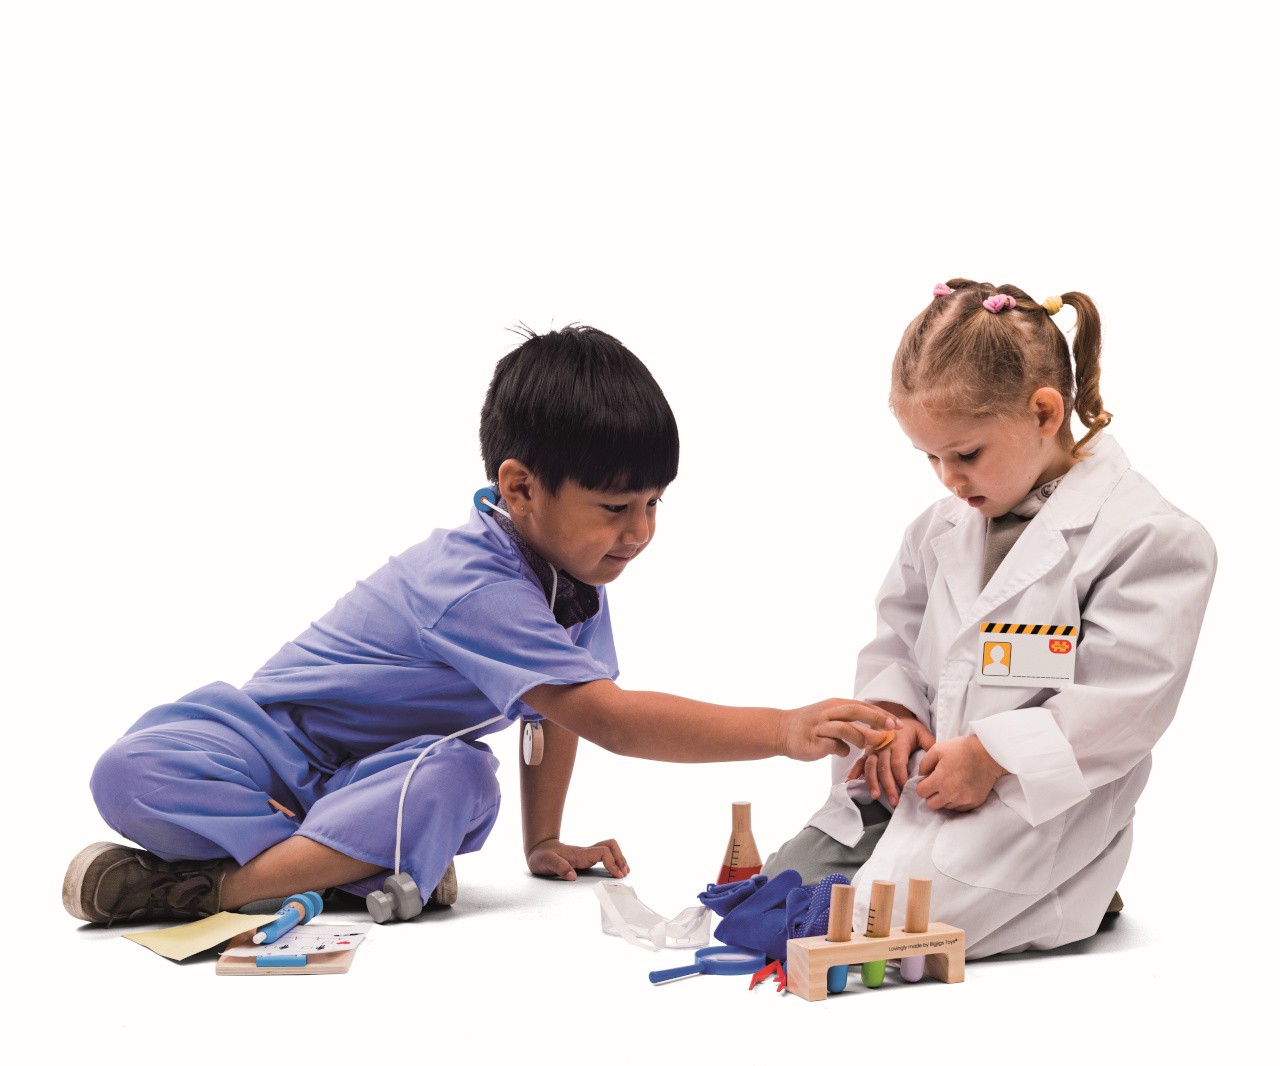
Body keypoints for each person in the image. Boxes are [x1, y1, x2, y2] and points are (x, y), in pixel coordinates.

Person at [65, 325, 894, 926]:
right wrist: (781, 729)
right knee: (130, 767)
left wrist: (543, 840)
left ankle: (278, 867)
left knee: (462, 779)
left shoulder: (574, 578)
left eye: (654, 503)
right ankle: (248, 886)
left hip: (371, 778)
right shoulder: (471, 582)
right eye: (616, 507)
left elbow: (559, 714)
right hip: (262, 746)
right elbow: (608, 719)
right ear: (520, 487)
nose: (640, 532)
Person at [762, 281, 1215, 958]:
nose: (948, 479)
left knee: (866, 927)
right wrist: (893, 714)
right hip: (921, 780)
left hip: (1029, 804)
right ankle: (887, 853)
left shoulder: (1149, 538)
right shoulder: (937, 529)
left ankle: (1081, 888)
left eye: (966, 454)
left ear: (1043, 412)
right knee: (772, 898)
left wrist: (991, 756)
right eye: (931, 457)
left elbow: (1125, 704)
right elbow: (897, 639)